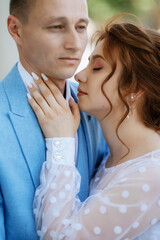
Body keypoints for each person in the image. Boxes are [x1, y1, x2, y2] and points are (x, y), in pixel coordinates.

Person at [28, 16, 160, 239]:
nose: (79, 75)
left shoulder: (153, 174)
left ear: (134, 89)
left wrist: (61, 142)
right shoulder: (115, 157)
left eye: (97, 67)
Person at [0, 0, 108, 239]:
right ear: (15, 29)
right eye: (57, 27)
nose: (74, 44)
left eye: (81, 27)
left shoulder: (101, 106)